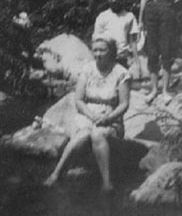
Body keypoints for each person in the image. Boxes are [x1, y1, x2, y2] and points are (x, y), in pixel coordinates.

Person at [43, 37, 131, 192]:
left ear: (111, 51)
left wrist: (108, 118)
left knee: (97, 135)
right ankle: (56, 173)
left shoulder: (121, 73)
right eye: (95, 49)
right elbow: (78, 99)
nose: (97, 53)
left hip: (111, 118)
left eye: (102, 50)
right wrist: (91, 115)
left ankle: (106, 182)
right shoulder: (87, 69)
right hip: (87, 115)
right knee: (82, 135)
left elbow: (124, 103)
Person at [93, 0, 141, 75]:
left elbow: (133, 42)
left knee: (122, 82)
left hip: (122, 58)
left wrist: (136, 62)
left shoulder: (129, 17)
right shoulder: (103, 17)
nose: (114, 0)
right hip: (107, 57)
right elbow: (96, 40)